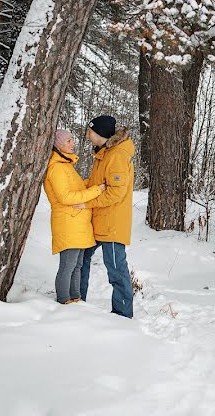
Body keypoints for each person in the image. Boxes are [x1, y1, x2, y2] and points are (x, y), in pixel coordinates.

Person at [79, 115, 136, 318]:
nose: (88, 135)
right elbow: (97, 183)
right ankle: (77, 302)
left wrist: (87, 202)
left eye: (91, 131)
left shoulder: (117, 155)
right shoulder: (104, 153)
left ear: (101, 134)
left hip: (112, 223)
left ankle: (122, 314)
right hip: (99, 221)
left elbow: (115, 192)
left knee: (116, 268)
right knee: (81, 259)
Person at [43, 130, 106, 305]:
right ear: (58, 145)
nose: (73, 144)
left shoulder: (66, 166)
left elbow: (76, 189)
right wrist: (95, 190)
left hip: (77, 223)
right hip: (67, 222)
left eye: (72, 140)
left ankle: (76, 298)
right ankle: (64, 300)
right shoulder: (56, 167)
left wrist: (92, 182)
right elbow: (66, 197)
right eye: (69, 141)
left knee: (77, 265)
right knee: (68, 266)